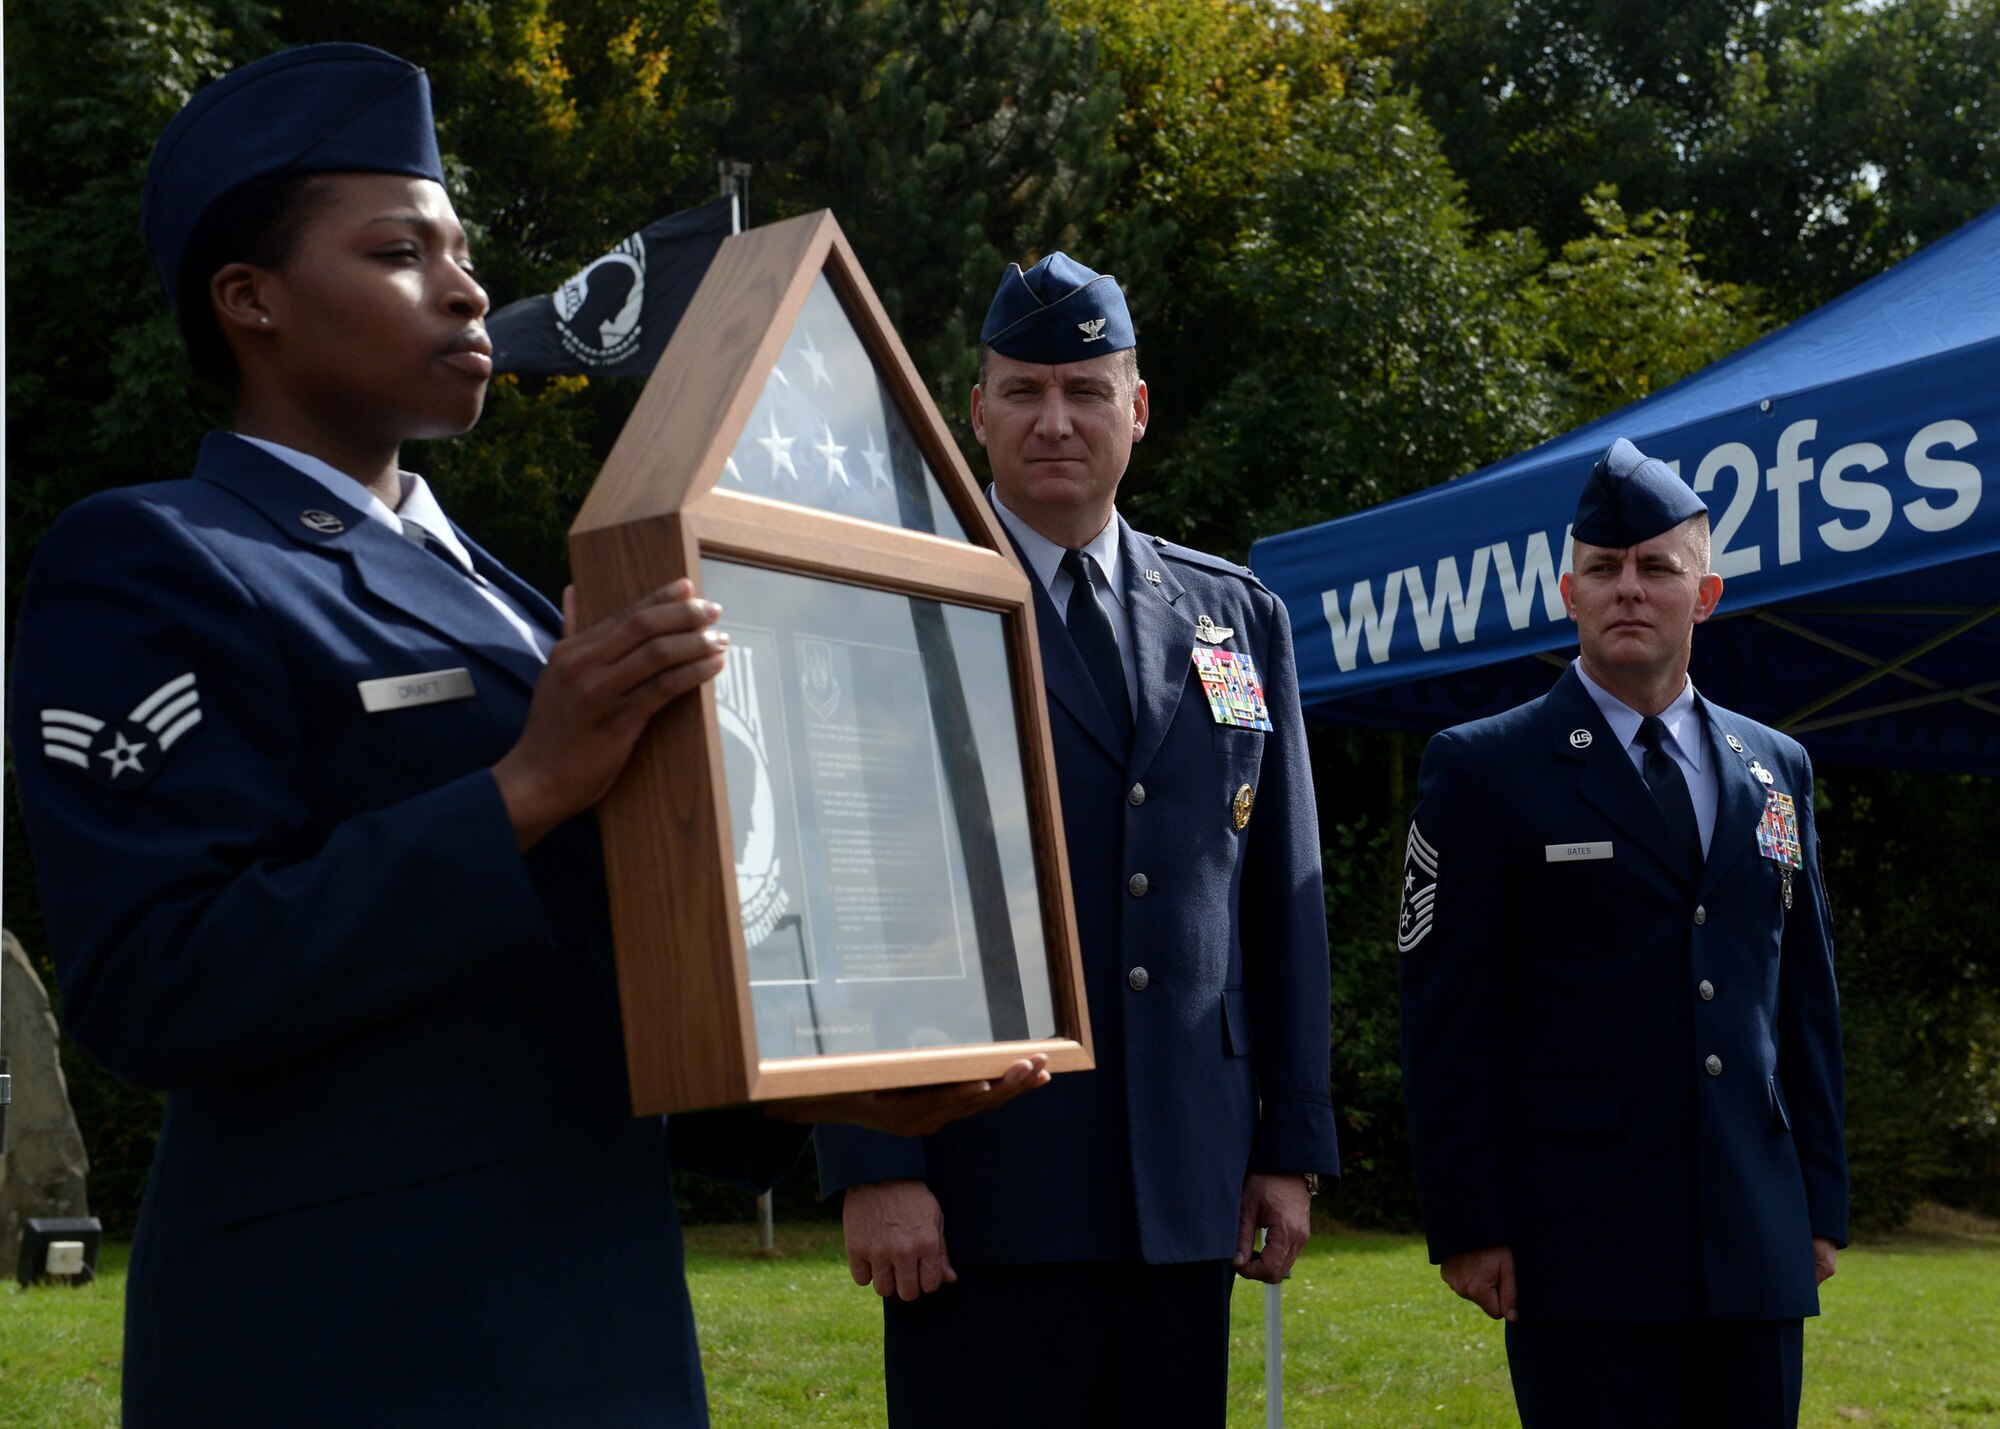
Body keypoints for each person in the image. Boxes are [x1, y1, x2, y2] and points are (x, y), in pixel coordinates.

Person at [7, 43, 1043, 1427]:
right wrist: (523, 789)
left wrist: (823, 1086)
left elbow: (594, 976)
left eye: (463, 249)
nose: (467, 286)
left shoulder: (501, 591)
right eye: (397, 250)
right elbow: (156, 980)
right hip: (347, 1345)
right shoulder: (152, 559)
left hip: (595, 1325)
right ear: (248, 300)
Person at [814, 254, 1341, 1426]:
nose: (1055, 420)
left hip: (1184, 1184)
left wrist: (1287, 1142)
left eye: (1086, 390)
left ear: (1136, 409)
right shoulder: (901, 598)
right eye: (1024, 390)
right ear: (978, 411)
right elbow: (848, 878)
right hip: (983, 1187)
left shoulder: (1232, 614)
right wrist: (875, 1161)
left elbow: (1278, 894)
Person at [1397, 439, 1849, 1428]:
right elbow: (1444, 1019)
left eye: (1654, 567)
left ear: (1706, 593)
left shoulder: (1774, 766)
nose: (1626, 590)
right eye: (1602, 570)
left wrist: (1817, 1199)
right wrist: (1468, 1222)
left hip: (1753, 1235)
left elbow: (1801, 996)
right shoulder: (1482, 768)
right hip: (1580, 1241)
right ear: (1567, 591)